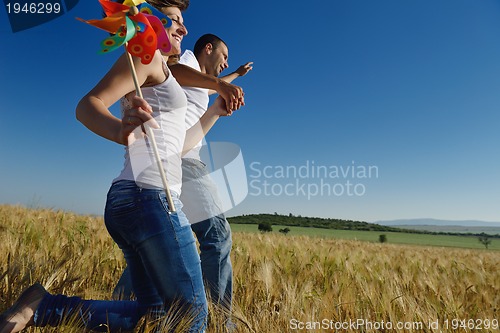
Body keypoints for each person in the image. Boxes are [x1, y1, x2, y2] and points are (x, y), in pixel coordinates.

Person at [0, 2, 243, 333]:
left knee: (152, 316)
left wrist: (214, 111)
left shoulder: (166, 73)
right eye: (173, 20)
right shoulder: (147, 57)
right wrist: (119, 130)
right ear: (143, 19)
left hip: (134, 201)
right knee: (191, 315)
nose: (184, 29)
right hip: (150, 197)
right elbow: (87, 105)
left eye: (183, 22)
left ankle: (45, 307)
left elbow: (182, 144)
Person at [113, 33, 253, 328]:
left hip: (178, 158)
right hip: (184, 160)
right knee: (216, 236)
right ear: (208, 49)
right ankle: (218, 320)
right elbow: (174, 71)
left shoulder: (200, 82)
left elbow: (206, 88)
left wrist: (234, 76)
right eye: (224, 56)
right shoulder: (185, 60)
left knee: (161, 239)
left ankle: (124, 306)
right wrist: (222, 82)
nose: (225, 62)